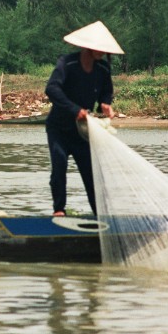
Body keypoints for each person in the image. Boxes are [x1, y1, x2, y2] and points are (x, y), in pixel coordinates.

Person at [44, 21, 124, 216]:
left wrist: (105, 104)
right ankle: (59, 210)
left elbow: (106, 93)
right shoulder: (67, 63)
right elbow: (52, 89)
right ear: (86, 47)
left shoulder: (103, 69)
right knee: (59, 166)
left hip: (82, 131)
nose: (102, 52)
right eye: (98, 48)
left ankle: (100, 214)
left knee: (91, 173)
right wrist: (75, 109)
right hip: (59, 128)